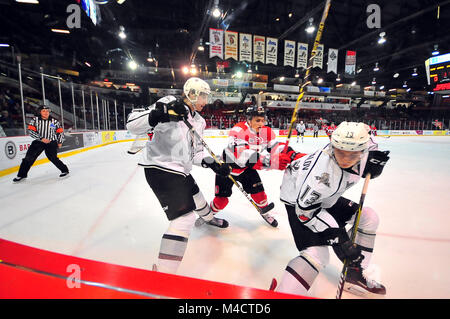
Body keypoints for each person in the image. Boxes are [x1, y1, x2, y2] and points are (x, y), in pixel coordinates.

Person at [126, 77, 231, 274]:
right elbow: (132, 124)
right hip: (160, 167)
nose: (205, 101)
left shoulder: (199, 121)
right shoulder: (168, 103)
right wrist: (159, 114)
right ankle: (164, 273)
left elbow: (197, 152)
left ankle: (208, 219)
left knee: (198, 199)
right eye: (203, 96)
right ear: (191, 93)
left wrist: (213, 164)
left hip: (181, 170)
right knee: (185, 218)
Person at [276, 122, 390, 297]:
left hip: (329, 197)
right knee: (317, 254)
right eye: (340, 153)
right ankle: (282, 295)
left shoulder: (363, 145)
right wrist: (337, 236)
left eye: (352, 155)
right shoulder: (321, 177)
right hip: (299, 200)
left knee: (369, 217)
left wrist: (375, 159)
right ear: (332, 145)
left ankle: (354, 273)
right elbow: (304, 212)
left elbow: (369, 139)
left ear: (363, 150)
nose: (345, 159)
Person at [209, 105, 304, 227]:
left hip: (247, 169)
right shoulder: (239, 130)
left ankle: (265, 213)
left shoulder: (266, 131)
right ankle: (209, 215)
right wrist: (271, 161)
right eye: (257, 120)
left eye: (263, 120)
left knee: (261, 197)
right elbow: (242, 154)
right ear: (249, 120)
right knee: (221, 202)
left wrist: (292, 154)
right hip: (227, 169)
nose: (261, 123)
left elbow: (276, 147)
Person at [13, 105, 69, 182]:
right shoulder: (35, 120)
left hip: (51, 142)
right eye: (43, 111)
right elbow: (31, 131)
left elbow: (60, 132)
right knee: (28, 158)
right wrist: (41, 138)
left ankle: (65, 170)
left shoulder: (54, 121)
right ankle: (21, 175)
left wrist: (60, 141)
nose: (46, 113)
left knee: (53, 158)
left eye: (47, 111)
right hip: (38, 142)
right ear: (40, 112)